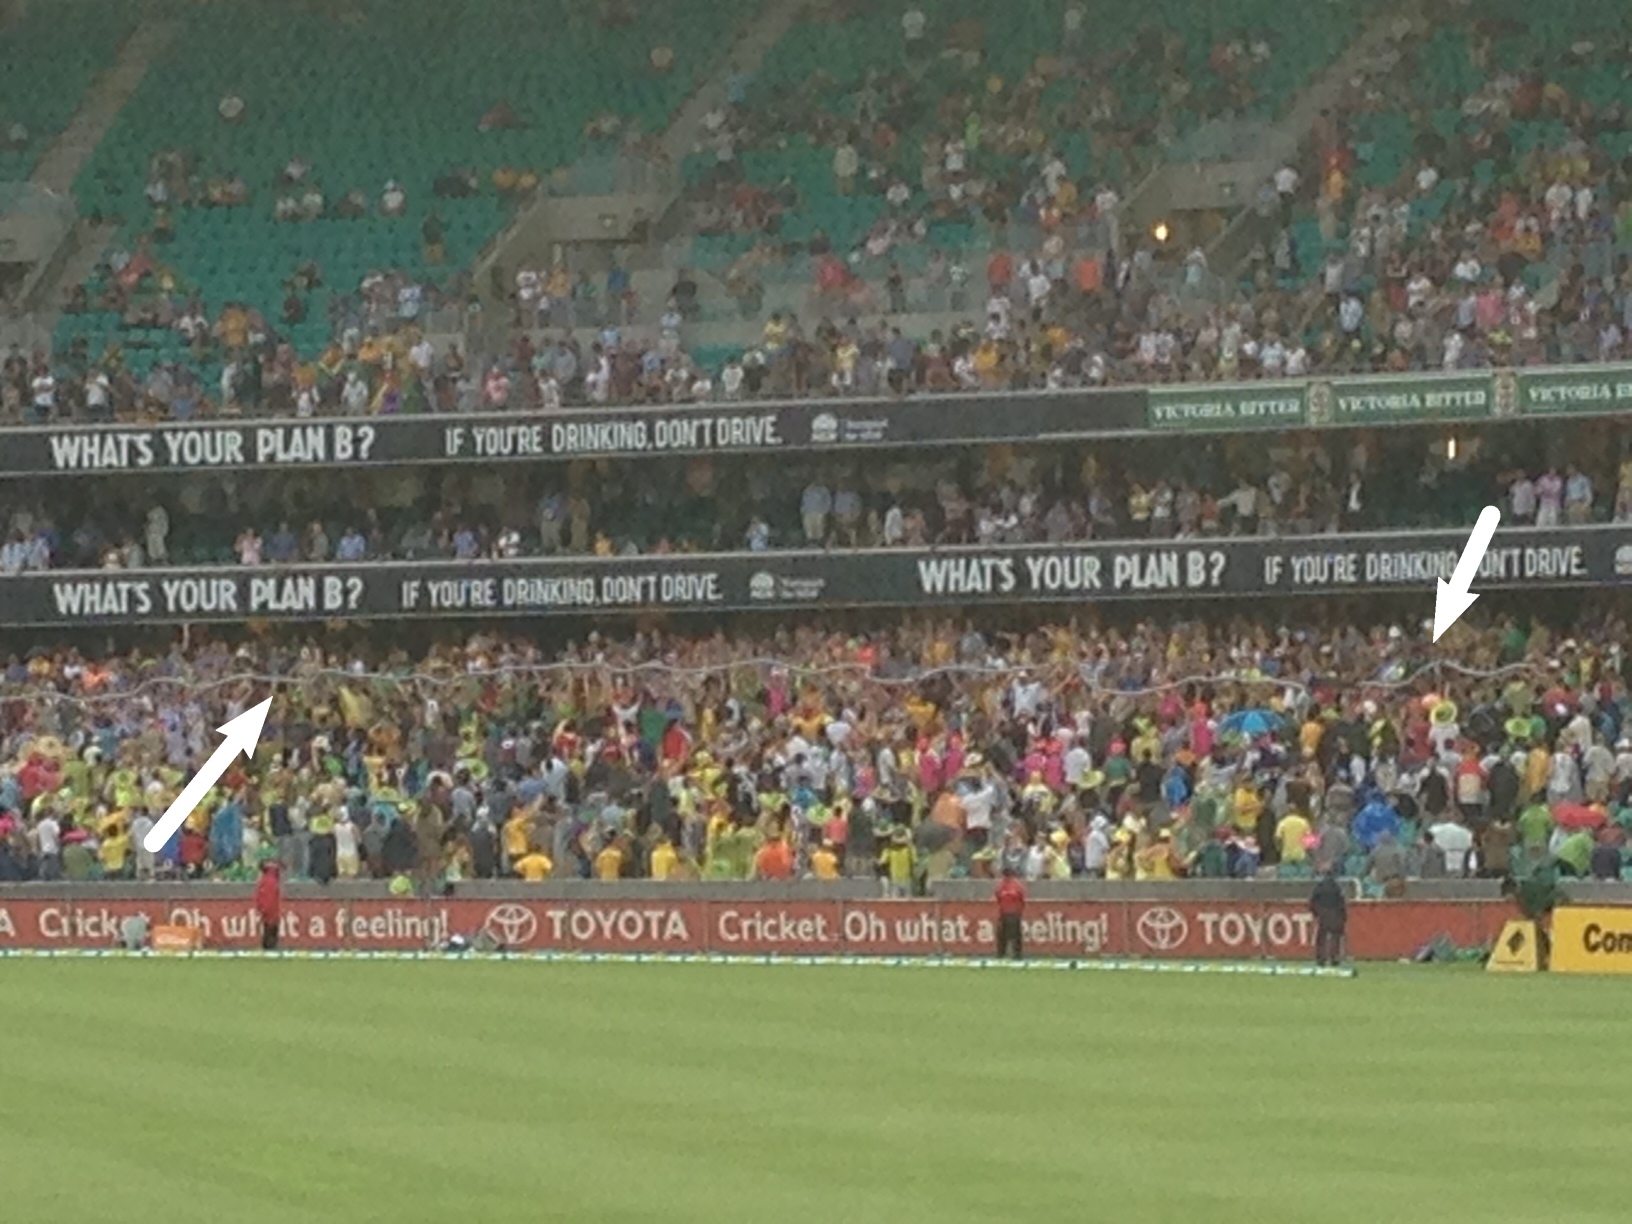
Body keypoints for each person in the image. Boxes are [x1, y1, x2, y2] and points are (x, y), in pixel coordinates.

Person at [1309, 868, 1347, 967]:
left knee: (1321, 937)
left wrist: (1316, 913)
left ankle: (1321, 958)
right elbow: (1342, 903)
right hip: (1335, 913)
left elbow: (1313, 901)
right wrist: (1344, 917)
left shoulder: (1319, 887)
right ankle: (1334, 958)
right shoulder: (1337, 887)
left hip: (1323, 914)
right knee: (1335, 937)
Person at [995, 866, 1026, 960]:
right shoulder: (1003, 885)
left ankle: (1016, 954)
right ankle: (1002, 954)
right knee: (1003, 935)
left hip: (1012, 913)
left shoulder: (1014, 885)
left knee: (1014, 935)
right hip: (1006, 913)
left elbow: (1022, 899)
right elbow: (998, 897)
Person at [254, 860, 283, 950]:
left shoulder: (267, 881)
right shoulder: (272, 881)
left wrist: (262, 911)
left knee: (269, 936)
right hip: (273, 914)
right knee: (271, 935)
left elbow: (266, 899)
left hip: (269, 915)